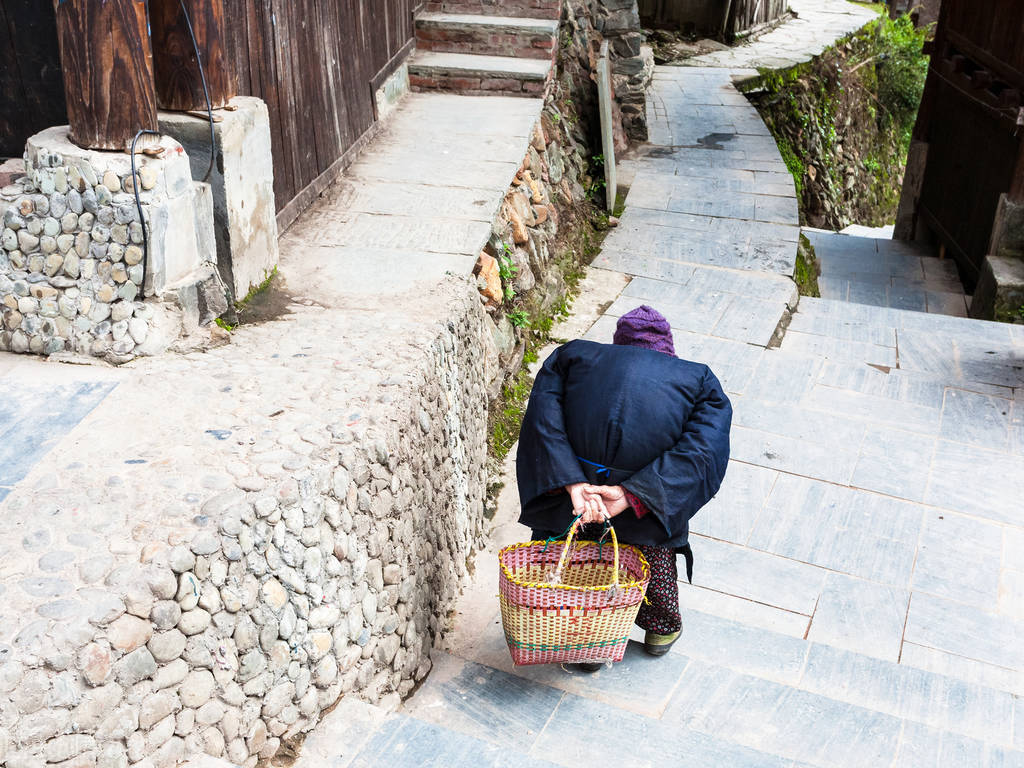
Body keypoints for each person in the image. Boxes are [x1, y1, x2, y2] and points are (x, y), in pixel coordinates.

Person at [516, 305, 732, 665]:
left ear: (618, 345)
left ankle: (576, 629)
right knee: (651, 554)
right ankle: (660, 627)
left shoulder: (570, 358)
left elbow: (544, 417)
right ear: (668, 350)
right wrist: (634, 495)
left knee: (570, 559)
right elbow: (701, 452)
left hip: (574, 500)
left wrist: (571, 482)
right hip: (642, 509)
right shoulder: (699, 382)